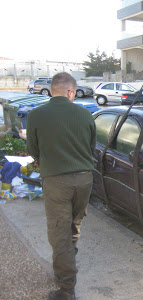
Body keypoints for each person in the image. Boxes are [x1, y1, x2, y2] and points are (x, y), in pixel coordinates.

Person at [26, 72, 96, 300]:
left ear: (53, 89)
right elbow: (91, 146)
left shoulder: (36, 115)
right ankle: (67, 256)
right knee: (74, 224)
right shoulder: (86, 114)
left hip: (57, 181)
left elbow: (33, 150)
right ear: (70, 92)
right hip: (85, 179)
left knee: (59, 233)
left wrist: (44, 161)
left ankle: (66, 289)